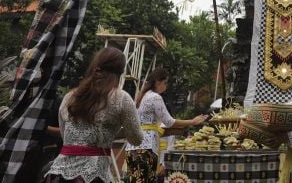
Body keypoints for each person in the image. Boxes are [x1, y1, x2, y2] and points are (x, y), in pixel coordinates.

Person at [44, 47, 144, 183]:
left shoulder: (69, 97)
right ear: (121, 72)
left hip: (59, 174)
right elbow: (136, 139)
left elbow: (65, 134)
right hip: (93, 175)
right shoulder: (122, 98)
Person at [125, 68, 207, 183]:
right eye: (165, 82)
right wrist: (192, 121)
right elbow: (169, 121)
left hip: (132, 147)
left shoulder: (141, 96)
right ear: (158, 82)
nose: (166, 86)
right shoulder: (155, 97)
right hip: (146, 148)